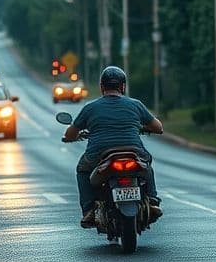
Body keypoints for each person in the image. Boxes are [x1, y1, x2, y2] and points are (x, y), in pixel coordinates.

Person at [62, 66, 164, 228]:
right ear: (123, 86)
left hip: (99, 154)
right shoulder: (135, 104)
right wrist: (142, 127)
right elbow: (158, 128)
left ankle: (89, 210)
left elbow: (70, 133)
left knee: (82, 170)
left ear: (102, 86)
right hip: (134, 151)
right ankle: (152, 200)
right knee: (147, 164)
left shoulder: (90, 107)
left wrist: (70, 138)